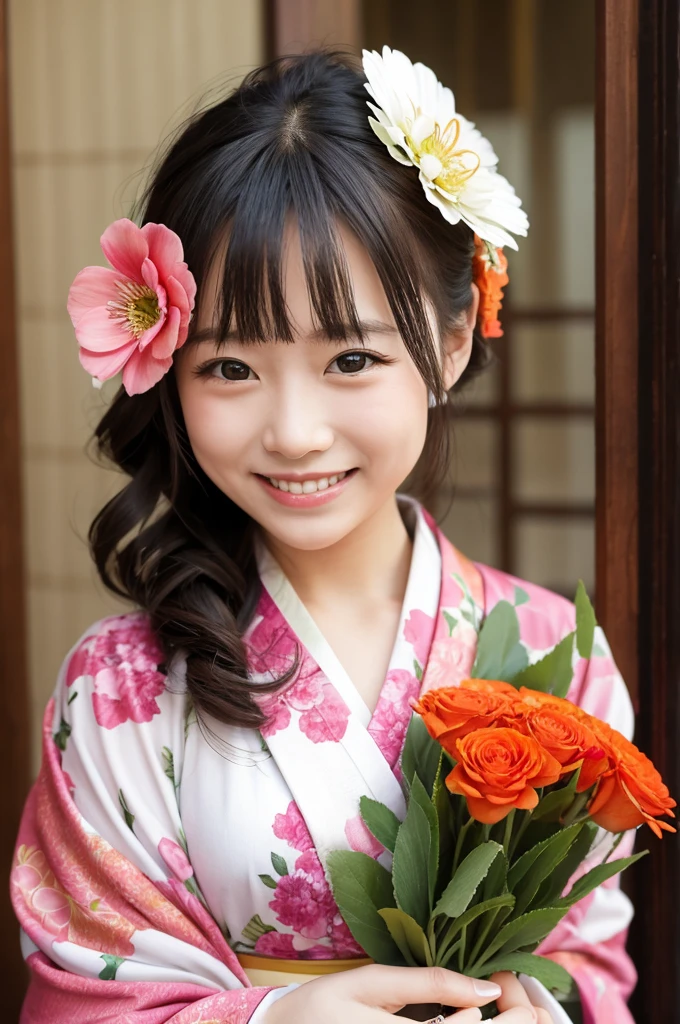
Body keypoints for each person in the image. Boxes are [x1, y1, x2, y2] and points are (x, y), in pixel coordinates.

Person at [10, 48, 638, 1024]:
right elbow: (78, 1002)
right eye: (228, 367)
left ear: (453, 336)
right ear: (165, 368)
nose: (294, 430)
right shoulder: (121, 687)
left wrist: (537, 1010)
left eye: (349, 356)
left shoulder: (560, 658)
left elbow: (590, 966)